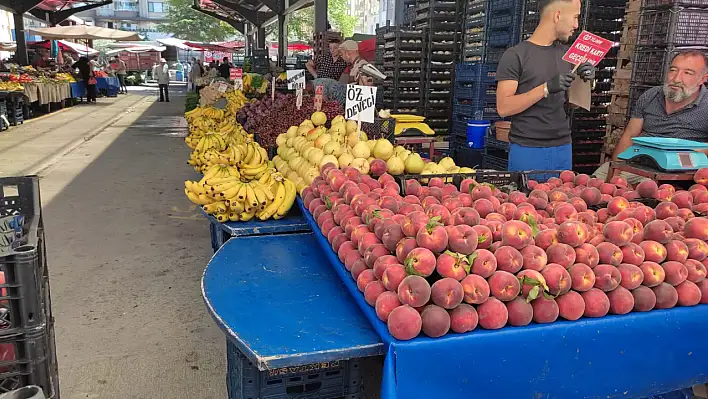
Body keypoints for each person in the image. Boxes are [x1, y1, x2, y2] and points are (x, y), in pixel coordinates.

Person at [495, 0, 595, 171]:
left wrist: (588, 82)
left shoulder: (569, 55)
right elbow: (503, 107)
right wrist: (545, 89)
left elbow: (574, 104)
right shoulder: (515, 55)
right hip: (527, 150)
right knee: (525, 197)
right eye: (575, 17)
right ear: (557, 15)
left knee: (563, 197)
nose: (576, 25)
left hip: (563, 147)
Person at [593, 50, 708, 184]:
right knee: (593, 185)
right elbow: (629, 135)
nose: (676, 79)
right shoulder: (651, 96)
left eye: (687, 73)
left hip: (676, 173)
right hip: (637, 160)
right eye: (673, 70)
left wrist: (686, 151)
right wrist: (615, 170)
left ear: (703, 78)